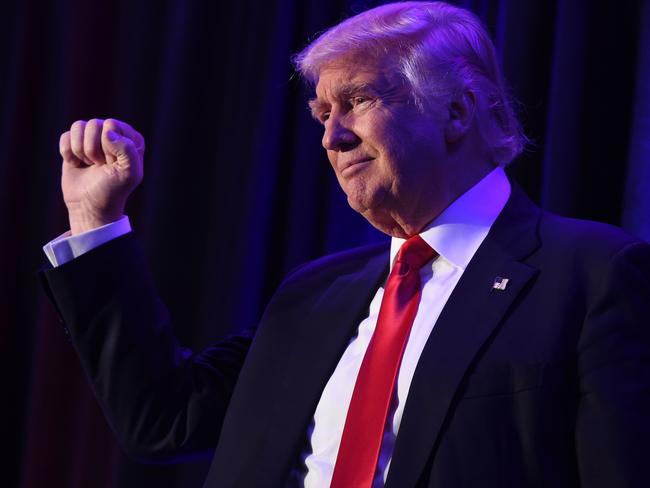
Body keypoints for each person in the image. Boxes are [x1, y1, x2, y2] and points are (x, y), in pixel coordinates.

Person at [40, 2, 650, 487]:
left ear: (459, 110)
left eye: (358, 101)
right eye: (320, 113)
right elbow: (165, 420)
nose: (331, 136)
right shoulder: (314, 296)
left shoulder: (591, 276)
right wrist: (95, 219)